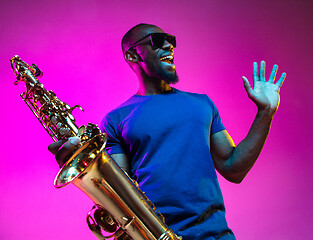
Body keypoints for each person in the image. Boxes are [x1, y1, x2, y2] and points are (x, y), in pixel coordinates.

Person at [49, 23, 286, 239]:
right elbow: (119, 193)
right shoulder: (116, 119)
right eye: (157, 40)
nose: (169, 45)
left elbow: (234, 168)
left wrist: (265, 113)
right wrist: (78, 154)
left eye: (171, 40)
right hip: (154, 235)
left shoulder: (202, 104)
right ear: (132, 55)